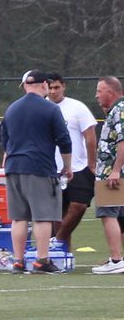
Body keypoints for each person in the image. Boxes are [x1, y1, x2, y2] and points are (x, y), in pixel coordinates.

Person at [2, 69, 73, 274]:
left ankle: (18, 261)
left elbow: (4, 141)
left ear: (26, 86)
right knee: (42, 216)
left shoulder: (11, 109)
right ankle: (42, 260)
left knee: (18, 217)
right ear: (44, 86)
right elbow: (64, 140)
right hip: (39, 167)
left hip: (13, 167)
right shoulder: (50, 109)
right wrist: (67, 167)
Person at [46, 73, 99, 252]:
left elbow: (90, 137)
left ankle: (57, 241)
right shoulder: (41, 107)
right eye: (50, 88)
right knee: (57, 214)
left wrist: (91, 163)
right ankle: (62, 256)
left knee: (79, 206)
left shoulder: (77, 107)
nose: (53, 92)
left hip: (78, 167)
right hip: (50, 168)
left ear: (63, 86)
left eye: (56, 87)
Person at [91, 76, 124, 275]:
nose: (96, 95)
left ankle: (115, 259)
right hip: (113, 172)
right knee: (120, 217)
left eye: (99, 90)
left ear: (110, 92)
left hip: (111, 174)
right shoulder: (116, 110)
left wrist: (115, 169)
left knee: (108, 213)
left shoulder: (119, 110)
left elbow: (123, 141)